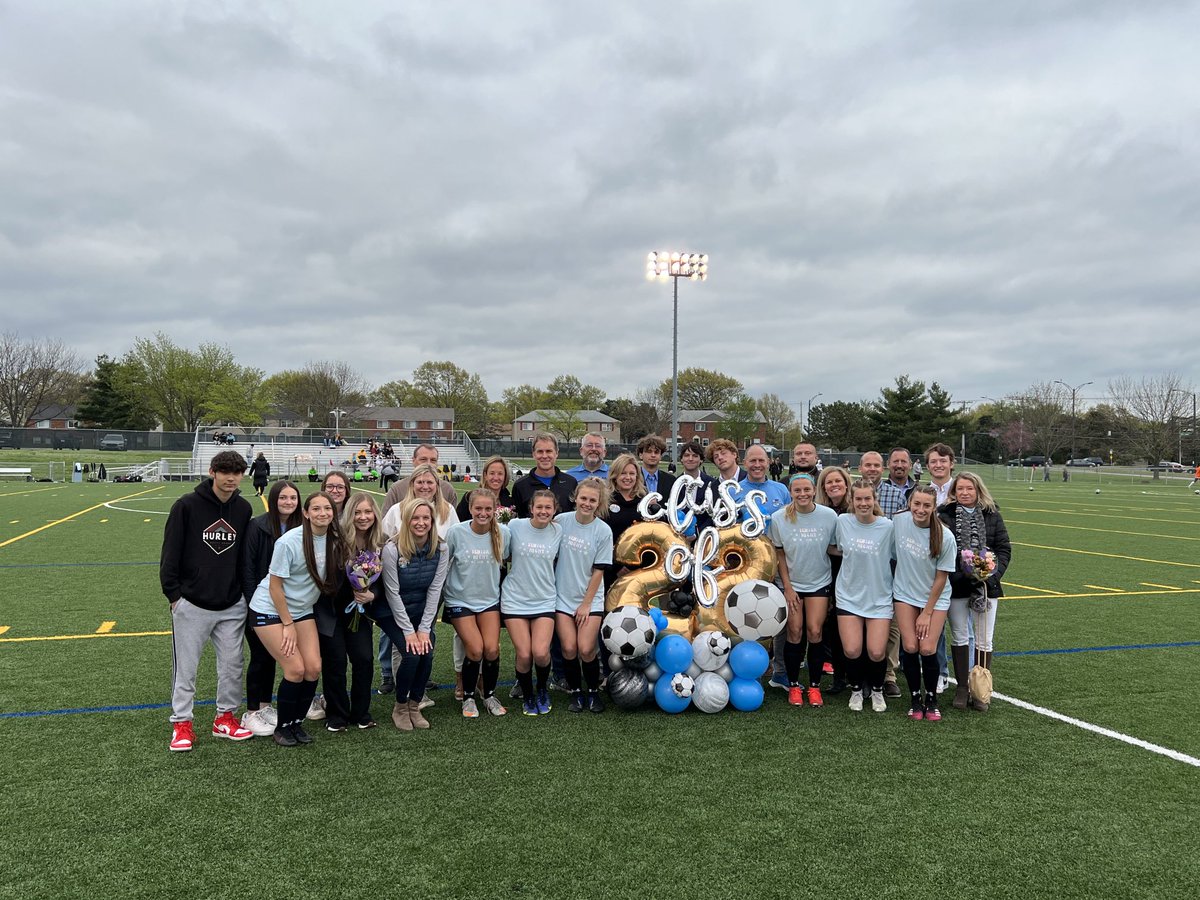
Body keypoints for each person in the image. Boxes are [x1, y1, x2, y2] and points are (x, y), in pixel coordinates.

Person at [161, 450, 255, 751]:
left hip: (231, 604)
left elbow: (243, 557)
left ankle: (224, 718)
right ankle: (182, 724)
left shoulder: (243, 509)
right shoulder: (186, 506)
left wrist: (242, 593)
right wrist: (174, 596)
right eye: (225, 471)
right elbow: (170, 552)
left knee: (232, 665)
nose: (231, 478)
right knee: (186, 669)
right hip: (192, 603)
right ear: (212, 472)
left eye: (237, 472)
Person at [248, 491, 342, 746]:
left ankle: (296, 724)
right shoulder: (289, 541)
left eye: (328, 509)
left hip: (302, 610)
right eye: (317, 509)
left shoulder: (335, 540)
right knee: (295, 669)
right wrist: (287, 624)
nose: (323, 513)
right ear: (306, 513)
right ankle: (282, 728)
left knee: (313, 668)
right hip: (270, 609)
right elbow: (275, 587)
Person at [938, 472, 1012, 712]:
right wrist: (961, 574)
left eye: (969, 488)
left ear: (978, 490)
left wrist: (991, 575)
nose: (965, 493)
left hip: (986, 587)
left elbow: (1003, 549)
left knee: (984, 638)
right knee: (960, 635)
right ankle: (962, 687)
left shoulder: (992, 515)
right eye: (960, 489)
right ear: (954, 492)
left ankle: (980, 687)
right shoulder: (944, 514)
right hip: (958, 585)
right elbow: (942, 549)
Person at [239, 480, 302, 737]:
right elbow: (248, 568)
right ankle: (252, 711)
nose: (288, 502)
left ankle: (266, 706)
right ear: (274, 499)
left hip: (289, 606)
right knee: (260, 657)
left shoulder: (301, 528)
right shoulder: (258, 526)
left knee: (278, 657)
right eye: (283, 498)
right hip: (261, 605)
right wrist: (256, 605)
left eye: (293, 498)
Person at [770, 473, 838, 708]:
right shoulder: (779, 518)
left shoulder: (829, 516)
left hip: (819, 582)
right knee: (795, 632)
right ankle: (794, 685)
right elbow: (778, 553)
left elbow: (836, 546)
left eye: (806, 490)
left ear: (813, 490)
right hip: (792, 584)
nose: (802, 494)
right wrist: (787, 587)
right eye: (797, 490)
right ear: (790, 493)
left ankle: (815, 687)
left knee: (815, 631)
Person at [319, 492, 385, 732]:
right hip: (333, 611)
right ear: (349, 515)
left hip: (359, 613)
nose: (363, 517)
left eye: (367, 512)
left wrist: (371, 593)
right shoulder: (335, 540)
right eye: (357, 512)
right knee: (335, 662)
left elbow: (382, 581)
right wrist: (350, 585)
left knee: (364, 659)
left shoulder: (379, 542)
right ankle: (336, 713)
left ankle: (361, 712)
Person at [382, 497, 449, 731]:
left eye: (426, 518)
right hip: (394, 612)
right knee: (411, 654)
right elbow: (392, 592)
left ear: (432, 521)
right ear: (406, 520)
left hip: (422, 612)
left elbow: (435, 590)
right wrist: (409, 632)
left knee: (427, 653)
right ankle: (400, 707)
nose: (421, 523)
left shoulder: (441, 548)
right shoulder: (392, 549)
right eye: (415, 518)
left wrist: (424, 629)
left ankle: (414, 704)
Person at [892, 485, 957, 721]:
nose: (920, 509)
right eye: (916, 504)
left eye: (926, 505)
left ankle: (931, 699)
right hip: (905, 594)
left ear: (934, 507)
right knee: (910, 647)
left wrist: (926, 613)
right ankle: (915, 698)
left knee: (927, 648)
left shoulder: (945, 536)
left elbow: (941, 578)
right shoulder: (898, 522)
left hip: (934, 598)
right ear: (910, 503)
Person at [444, 489, 510, 718]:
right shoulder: (456, 533)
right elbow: (443, 564)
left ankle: (489, 695)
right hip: (460, 599)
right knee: (475, 648)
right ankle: (469, 698)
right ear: (470, 509)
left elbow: (511, 559)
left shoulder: (503, 534)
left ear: (495, 509)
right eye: (478, 508)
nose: (483, 513)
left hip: (489, 600)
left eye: (488, 509)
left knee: (492, 649)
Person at [832, 479, 895, 713]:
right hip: (848, 595)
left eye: (868, 498)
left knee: (877, 651)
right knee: (851, 650)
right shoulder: (842, 522)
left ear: (874, 500)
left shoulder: (887, 526)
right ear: (852, 500)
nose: (863, 503)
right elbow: (835, 547)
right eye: (858, 499)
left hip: (879, 597)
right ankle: (857, 690)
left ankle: (877, 690)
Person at [502, 489, 564, 716]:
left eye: (548, 507)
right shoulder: (515, 526)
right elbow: (502, 552)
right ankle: (527, 695)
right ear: (531, 508)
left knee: (540, 652)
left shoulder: (559, 530)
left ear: (555, 509)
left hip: (545, 599)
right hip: (515, 599)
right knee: (525, 654)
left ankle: (541, 690)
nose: (543, 511)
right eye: (539, 507)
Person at [554, 477, 614, 713]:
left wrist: (586, 604)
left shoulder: (603, 530)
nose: (587, 503)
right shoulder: (561, 522)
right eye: (583, 498)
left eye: (592, 500)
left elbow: (599, 570)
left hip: (591, 599)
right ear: (575, 497)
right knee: (569, 648)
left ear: (598, 503)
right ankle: (575, 692)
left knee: (587, 648)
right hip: (562, 597)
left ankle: (592, 691)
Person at [876, 448, 915, 699]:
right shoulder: (857, 494)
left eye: (904, 461)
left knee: (892, 622)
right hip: (865, 565)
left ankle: (889, 674)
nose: (899, 465)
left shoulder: (900, 495)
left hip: (895, 565)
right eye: (895, 461)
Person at [815, 465, 852, 695]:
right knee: (833, 628)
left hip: (853, 574)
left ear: (846, 483)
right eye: (828, 482)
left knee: (853, 626)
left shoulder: (855, 508)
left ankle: (859, 676)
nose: (833, 485)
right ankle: (839, 678)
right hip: (827, 573)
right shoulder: (819, 511)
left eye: (837, 481)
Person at [382, 463, 458, 539]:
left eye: (429, 482)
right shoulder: (396, 510)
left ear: (437, 485)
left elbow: (456, 541)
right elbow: (383, 540)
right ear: (412, 485)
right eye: (420, 482)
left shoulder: (448, 510)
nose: (425, 487)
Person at [512, 432, 577, 517]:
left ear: (556, 453)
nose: (544, 456)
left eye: (549, 451)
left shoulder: (571, 483)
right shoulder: (520, 486)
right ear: (533, 454)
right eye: (540, 451)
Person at [381, 444, 457, 514]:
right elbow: (385, 523)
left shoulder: (447, 489)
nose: (428, 464)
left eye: (433, 460)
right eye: (423, 459)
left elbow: (453, 525)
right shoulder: (397, 489)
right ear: (413, 461)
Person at [733, 445, 790, 530]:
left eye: (761, 460)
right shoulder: (733, 491)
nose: (757, 465)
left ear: (768, 462)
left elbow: (789, 523)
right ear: (744, 463)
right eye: (752, 461)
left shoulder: (782, 490)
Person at [457, 455, 513, 521]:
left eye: (500, 474)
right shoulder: (469, 498)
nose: (496, 478)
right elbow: (458, 524)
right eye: (492, 473)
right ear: (485, 475)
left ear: (505, 476)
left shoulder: (510, 501)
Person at [636, 434, 675, 499]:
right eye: (649, 452)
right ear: (641, 455)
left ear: (661, 456)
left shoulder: (671, 480)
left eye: (656, 452)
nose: (653, 455)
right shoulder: (633, 478)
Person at [923, 443, 956, 507]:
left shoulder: (961, 492)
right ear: (927, 466)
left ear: (951, 464)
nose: (938, 465)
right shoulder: (921, 493)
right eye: (933, 462)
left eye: (943, 461)